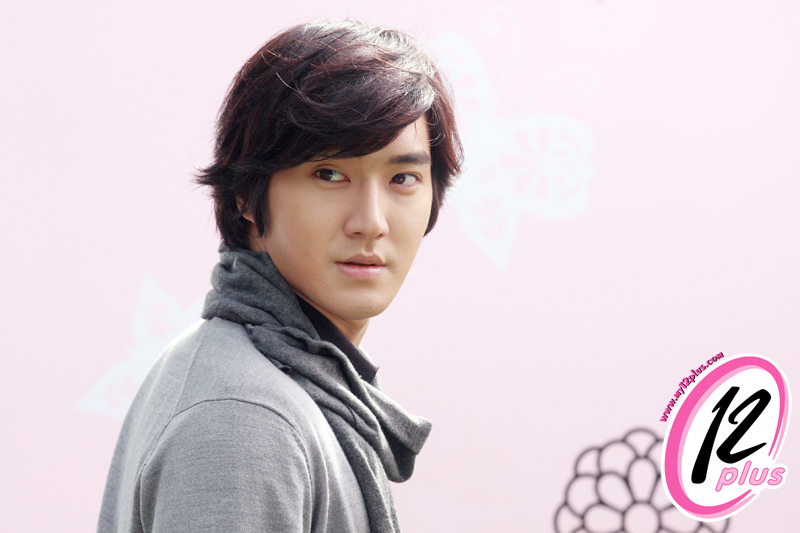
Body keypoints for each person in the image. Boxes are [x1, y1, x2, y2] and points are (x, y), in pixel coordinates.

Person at [97, 19, 462, 533]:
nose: (371, 222)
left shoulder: (251, 373)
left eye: (403, 177)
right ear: (246, 193)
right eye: (329, 174)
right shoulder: (244, 418)